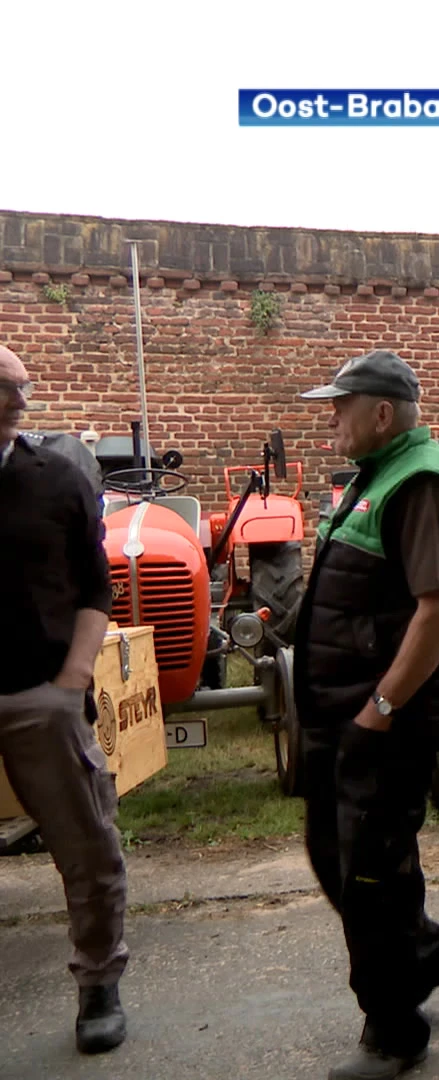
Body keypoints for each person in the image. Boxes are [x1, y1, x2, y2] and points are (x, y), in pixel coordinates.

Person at [292, 349, 439, 1079]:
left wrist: (379, 710)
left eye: (339, 407)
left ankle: (394, 1029)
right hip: (343, 716)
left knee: (372, 873)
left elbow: (438, 614)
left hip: (383, 722)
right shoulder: (382, 474)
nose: (330, 420)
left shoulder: (424, 483)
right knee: (334, 856)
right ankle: (429, 952)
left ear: (381, 413)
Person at [0, 343, 129, 1054]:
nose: (23, 401)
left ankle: (99, 983)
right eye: (7, 388)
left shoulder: (56, 481)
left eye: (25, 386)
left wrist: (72, 681)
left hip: (39, 692)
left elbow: (95, 586)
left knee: (86, 847)